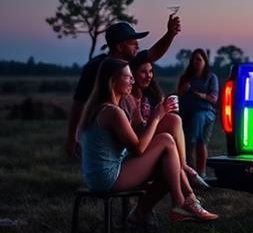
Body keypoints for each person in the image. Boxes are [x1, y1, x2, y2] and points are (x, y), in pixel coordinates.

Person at [78, 57, 216, 225]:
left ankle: (141, 213)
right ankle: (181, 202)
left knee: (169, 163)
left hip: (96, 176)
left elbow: (131, 142)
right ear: (113, 81)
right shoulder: (112, 112)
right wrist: (157, 117)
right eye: (129, 77)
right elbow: (138, 149)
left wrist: (155, 118)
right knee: (166, 140)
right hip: (107, 178)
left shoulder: (101, 107)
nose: (132, 81)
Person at [66, 15, 181, 158]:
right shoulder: (97, 67)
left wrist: (170, 34)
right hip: (111, 135)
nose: (138, 46)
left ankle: (187, 170)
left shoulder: (131, 62)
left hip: (133, 129)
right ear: (119, 46)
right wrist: (72, 138)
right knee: (162, 142)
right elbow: (79, 103)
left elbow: (153, 53)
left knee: (174, 120)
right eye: (133, 43)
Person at [124, 55, 210, 190]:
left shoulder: (151, 93)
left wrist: (164, 110)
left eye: (151, 71)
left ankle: (184, 169)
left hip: (150, 137)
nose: (148, 76)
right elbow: (137, 131)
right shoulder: (128, 97)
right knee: (169, 141)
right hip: (137, 146)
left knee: (174, 119)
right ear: (133, 74)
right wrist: (156, 117)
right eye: (143, 72)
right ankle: (187, 192)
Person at [178, 49, 218, 177]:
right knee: (192, 140)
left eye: (199, 60)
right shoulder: (186, 78)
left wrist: (200, 95)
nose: (196, 62)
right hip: (187, 112)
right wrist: (183, 90)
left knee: (198, 141)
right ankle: (189, 172)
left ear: (205, 62)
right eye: (194, 60)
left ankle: (200, 173)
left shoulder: (211, 78)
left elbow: (214, 98)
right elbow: (178, 94)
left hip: (205, 112)